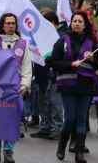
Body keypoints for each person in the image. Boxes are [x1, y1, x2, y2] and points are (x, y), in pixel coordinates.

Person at [51, 12, 98, 163]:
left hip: (85, 86)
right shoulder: (62, 41)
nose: (77, 23)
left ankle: (79, 152)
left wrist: (94, 59)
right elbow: (53, 62)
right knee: (70, 118)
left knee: (81, 119)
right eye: (74, 21)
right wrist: (70, 64)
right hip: (68, 85)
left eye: (80, 21)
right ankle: (62, 145)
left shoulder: (92, 42)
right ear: (71, 23)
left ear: (85, 24)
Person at [0, 13, 32, 163]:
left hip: (15, 88)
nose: (11, 26)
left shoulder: (23, 44)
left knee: (12, 120)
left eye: (13, 23)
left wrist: (25, 85)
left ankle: (8, 151)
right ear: (2, 25)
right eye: (8, 23)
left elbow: (26, 67)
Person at [31, 10, 64, 141]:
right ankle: (45, 127)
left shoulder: (61, 38)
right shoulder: (38, 38)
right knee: (42, 103)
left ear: (55, 24)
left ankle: (57, 129)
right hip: (41, 74)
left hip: (55, 76)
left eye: (50, 24)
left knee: (55, 103)